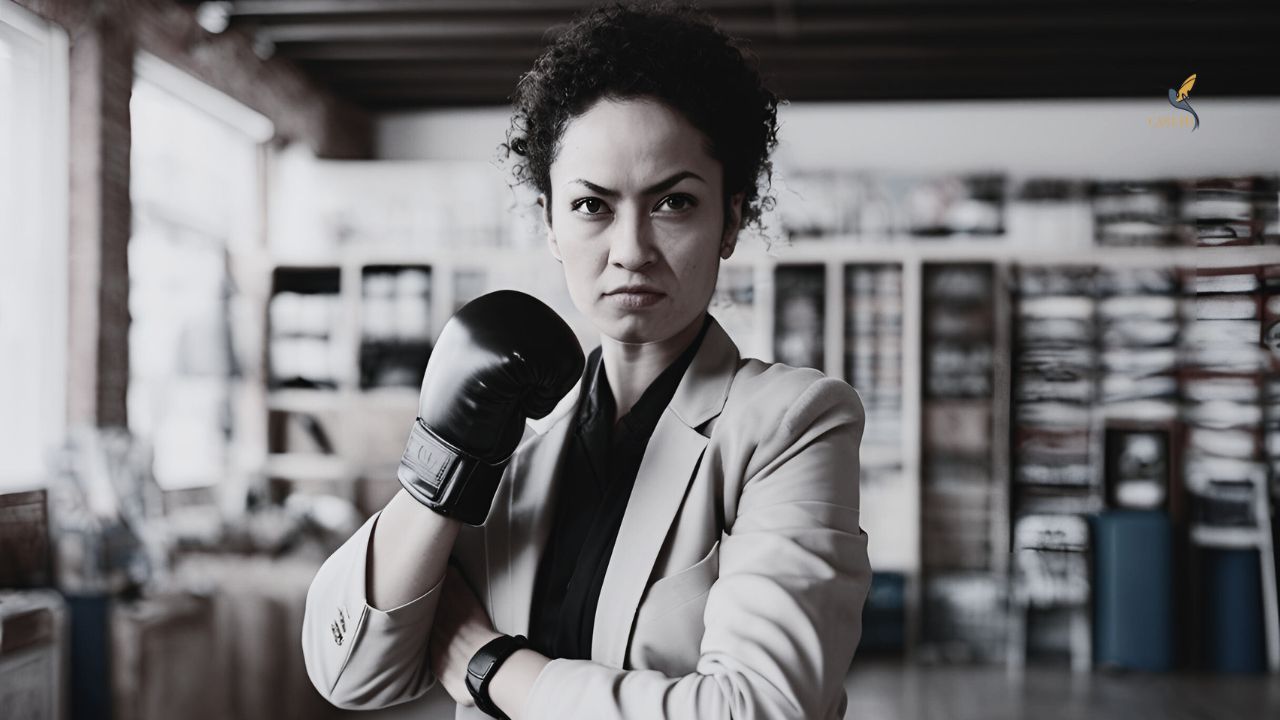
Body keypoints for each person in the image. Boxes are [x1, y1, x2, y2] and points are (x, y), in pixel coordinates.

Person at [301, 3, 871, 719]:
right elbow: (349, 672)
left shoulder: (789, 423)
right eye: (592, 206)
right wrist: (438, 461)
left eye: (673, 202)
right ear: (549, 222)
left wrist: (487, 664)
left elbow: (759, 710)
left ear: (729, 220)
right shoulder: (512, 440)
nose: (630, 249)